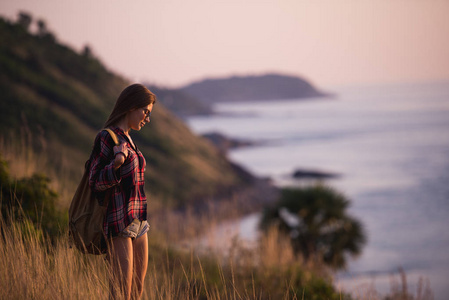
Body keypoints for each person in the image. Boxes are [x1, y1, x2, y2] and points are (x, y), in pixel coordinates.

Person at [88, 83, 156, 299]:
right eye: (145, 111)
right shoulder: (107, 137)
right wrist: (116, 164)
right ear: (131, 106)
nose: (147, 118)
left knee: (136, 292)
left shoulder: (128, 138)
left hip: (140, 223)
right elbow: (95, 182)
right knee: (120, 294)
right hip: (119, 224)